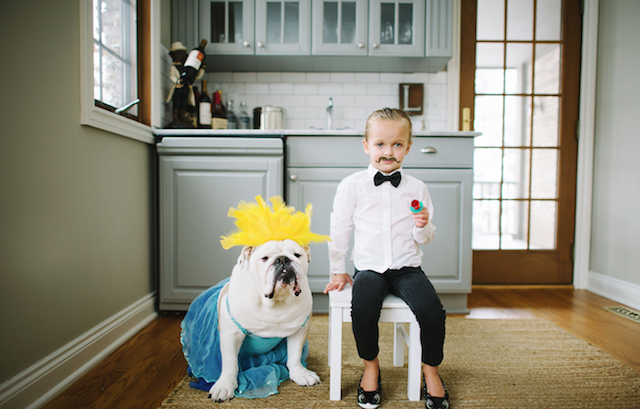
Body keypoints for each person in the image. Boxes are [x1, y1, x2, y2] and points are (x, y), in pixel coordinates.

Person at [324, 108, 449, 409]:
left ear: (407, 147)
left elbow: (426, 237)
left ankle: (430, 371)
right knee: (363, 310)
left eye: (396, 145)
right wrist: (338, 270)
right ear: (366, 145)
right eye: (380, 144)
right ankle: (371, 366)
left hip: (408, 268)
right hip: (369, 268)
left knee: (433, 313)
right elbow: (339, 229)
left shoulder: (417, 188)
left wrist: (422, 227)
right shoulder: (352, 186)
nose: (388, 152)